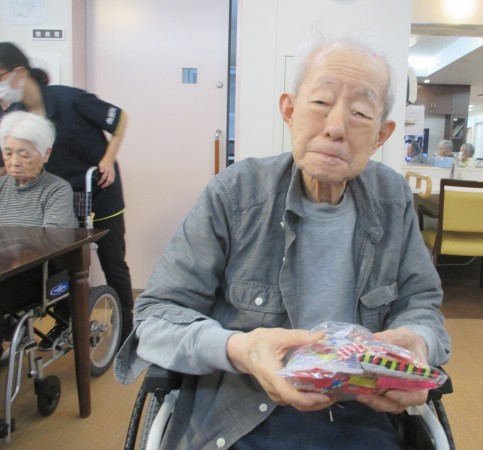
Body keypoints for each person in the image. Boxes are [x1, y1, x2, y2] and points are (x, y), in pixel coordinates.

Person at [116, 34, 451, 449]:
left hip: (362, 411)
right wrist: (240, 348)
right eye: (321, 102)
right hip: (239, 413)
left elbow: (422, 305)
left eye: (360, 113)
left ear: (380, 135)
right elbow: (155, 318)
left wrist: (418, 342)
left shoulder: (393, 198)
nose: (335, 128)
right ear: (289, 111)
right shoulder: (235, 194)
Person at [0, 42, 133, 344]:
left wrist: (108, 159)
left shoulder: (67, 99)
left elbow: (119, 118)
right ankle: (65, 319)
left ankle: (126, 328)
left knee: (113, 262)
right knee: (57, 263)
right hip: (53, 198)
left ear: (19, 72)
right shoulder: (15, 116)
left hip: (98, 190)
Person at [0, 111, 78, 353]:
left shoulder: (57, 190)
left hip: (38, 273)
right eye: (8, 153)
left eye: (24, 154)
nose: (14, 161)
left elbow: (49, 238)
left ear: (46, 154)